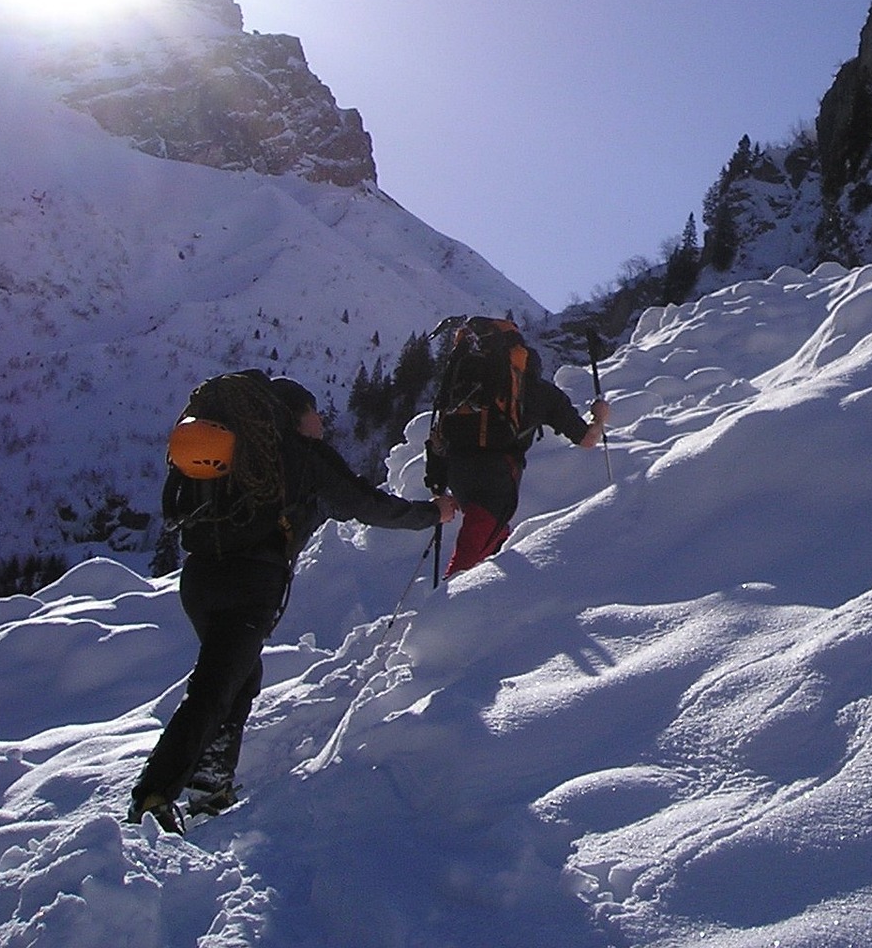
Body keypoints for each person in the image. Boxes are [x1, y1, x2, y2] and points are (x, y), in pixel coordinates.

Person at [128, 373, 455, 832]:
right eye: (314, 413)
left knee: (237, 677)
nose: (321, 421)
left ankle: (211, 779)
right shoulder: (302, 457)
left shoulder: (241, 454)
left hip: (200, 579)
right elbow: (366, 505)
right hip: (251, 583)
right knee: (215, 688)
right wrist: (430, 514)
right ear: (296, 417)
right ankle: (155, 793)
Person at [429, 321, 609, 577]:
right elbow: (587, 440)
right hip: (495, 480)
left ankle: (489, 602)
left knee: (494, 542)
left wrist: (438, 483)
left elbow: (438, 433)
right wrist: (600, 418)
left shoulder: (468, 386)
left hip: (456, 472)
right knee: (466, 564)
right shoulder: (538, 391)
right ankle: (442, 612)